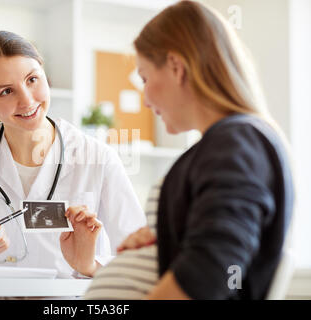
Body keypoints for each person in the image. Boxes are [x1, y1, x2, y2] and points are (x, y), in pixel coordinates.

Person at [79, 0, 294, 300]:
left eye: (145, 78)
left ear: (177, 68)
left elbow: (213, 270)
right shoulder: (229, 144)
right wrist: (168, 237)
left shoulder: (236, 142)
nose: (144, 100)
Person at [0, 31, 146, 277]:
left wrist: (90, 266)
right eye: (6, 91)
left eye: (32, 79)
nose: (27, 101)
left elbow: (143, 259)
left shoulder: (97, 157)